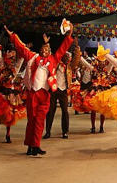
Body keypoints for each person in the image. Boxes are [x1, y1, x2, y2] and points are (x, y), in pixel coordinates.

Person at [4, 22, 74, 156]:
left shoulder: (54, 60)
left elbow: (63, 48)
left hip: (45, 94)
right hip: (33, 93)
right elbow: (21, 48)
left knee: (40, 120)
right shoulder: (33, 57)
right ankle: (30, 146)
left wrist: (69, 34)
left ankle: (35, 145)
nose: (44, 51)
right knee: (32, 120)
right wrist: (12, 36)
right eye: (43, 49)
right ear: (40, 49)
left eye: (47, 49)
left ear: (50, 51)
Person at [0, 48, 25, 144]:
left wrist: (23, 51)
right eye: (10, 58)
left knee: (9, 114)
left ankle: (8, 135)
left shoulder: (14, 69)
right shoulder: (1, 67)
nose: (11, 60)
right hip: (0, 93)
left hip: (10, 94)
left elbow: (20, 60)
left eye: (13, 58)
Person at [71, 45, 114, 133]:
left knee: (102, 111)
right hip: (93, 90)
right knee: (93, 110)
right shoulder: (93, 69)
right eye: (100, 61)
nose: (101, 63)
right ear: (97, 61)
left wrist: (107, 55)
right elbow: (84, 63)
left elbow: (112, 63)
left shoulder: (107, 70)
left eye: (103, 61)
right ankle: (93, 127)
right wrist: (79, 55)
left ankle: (101, 127)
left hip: (103, 91)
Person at [44, 43, 80, 139]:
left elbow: (76, 59)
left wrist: (77, 48)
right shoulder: (55, 64)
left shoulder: (69, 66)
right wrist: (47, 44)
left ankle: (65, 132)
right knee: (50, 111)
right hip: (54, 90)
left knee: (65, 111)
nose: (68, 58)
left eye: (69, 57)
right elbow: (49, 56)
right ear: (62, 56)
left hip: (63, 90)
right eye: (67, 56)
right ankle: (47, 131)